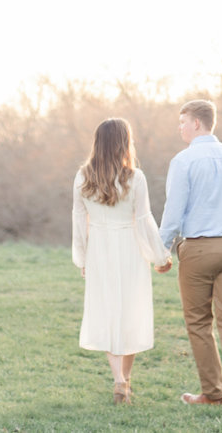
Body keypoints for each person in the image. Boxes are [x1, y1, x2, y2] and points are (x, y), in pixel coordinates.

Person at [158, 98, 222, 413]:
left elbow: (173, 213)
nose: (180, 127)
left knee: (199, 321)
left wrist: (161, 250)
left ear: (197, 123)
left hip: (199, 249)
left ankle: (213, 393)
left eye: (183, 121)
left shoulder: (184, 161)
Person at [71, 117, 173, 404]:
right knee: (130, 312)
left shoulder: (82, 176)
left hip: (99, 249)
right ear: (123, 142)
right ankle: (123, 381)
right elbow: (143, 221)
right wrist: (160, 255)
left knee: (107, 312)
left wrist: (82, 257)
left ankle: (120, 380)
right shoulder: (134, 177)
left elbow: (79, 219)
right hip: (129, 248)